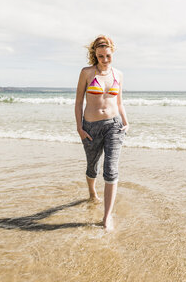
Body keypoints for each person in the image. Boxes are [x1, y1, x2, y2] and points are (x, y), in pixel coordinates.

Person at [75, 35, 129, 231]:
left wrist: (126, 121)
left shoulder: (119, 75)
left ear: (112, 52)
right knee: (92, 167)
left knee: (111, 169)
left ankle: (107, 217)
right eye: (100, 57)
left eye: (107, 56)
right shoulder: (87, 73)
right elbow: (79, 101)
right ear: (95, 55)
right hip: (91, 127)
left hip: (114, 125)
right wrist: (79, 128)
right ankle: (92, 192)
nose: (105, 60)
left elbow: (119, 102)